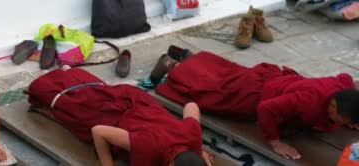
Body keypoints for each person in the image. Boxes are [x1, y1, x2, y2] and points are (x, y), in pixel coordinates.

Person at [151, 46, 359, 161]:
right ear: (332, 106)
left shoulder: (345, 87)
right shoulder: (308, 101)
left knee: (227, 73)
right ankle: (172, 65)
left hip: (273, 80)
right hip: (256, 94)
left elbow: (349, 85)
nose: (344, 125)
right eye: (343, 120)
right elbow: (265, 109)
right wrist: (275, 142)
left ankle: (189, 56)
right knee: (212, 91)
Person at [25, 67, 212, 166]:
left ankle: (71, 72)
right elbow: (99, 132)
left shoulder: (193, 134)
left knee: (95, 93)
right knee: (74, 107)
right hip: (118, 112)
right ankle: (64, 74)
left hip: (141, 104)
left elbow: (191, 105)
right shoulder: (148, 145)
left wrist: (198, 148)